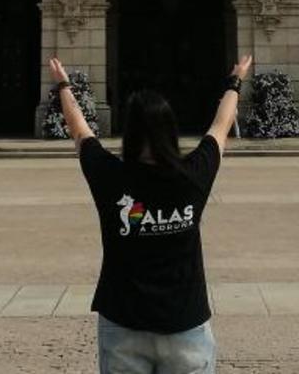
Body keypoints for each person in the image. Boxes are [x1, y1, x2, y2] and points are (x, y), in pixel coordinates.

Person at [51, 52, 253, 374]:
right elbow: (221, 124)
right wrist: (235, 81)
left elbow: (79, 131)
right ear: (170, 131)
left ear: (129, 134)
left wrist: (62, 85)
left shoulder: (111, 177)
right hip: (186, 325)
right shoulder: (193, 175)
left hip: (123, 325)